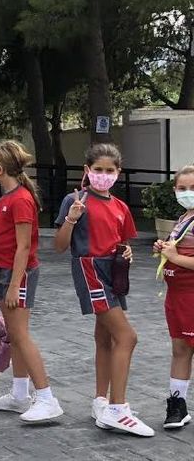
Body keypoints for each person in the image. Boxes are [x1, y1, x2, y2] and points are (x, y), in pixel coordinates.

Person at [54, 143, 152, 436]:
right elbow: (59, 246)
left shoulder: (120, 206)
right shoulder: (75, 200)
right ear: (87, 171)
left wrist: (127, 253)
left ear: (118, 173)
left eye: (110, 170)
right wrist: (71, 218)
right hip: (91, 270)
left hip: (113, 270)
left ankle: (101, 401)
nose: (104, 175)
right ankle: (118, 410)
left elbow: (123, 242)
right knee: (127, 336)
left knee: (106, 337)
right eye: (98, 170)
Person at [0, 140, 63, 423]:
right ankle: (19, 395)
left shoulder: (20, 200)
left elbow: (24, 247)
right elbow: (7, 245)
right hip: (6, 272)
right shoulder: (8, 198)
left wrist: (15, 283)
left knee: (20, 335)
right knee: (16, 336)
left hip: (18, 274)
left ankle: (46, 397)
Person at [157, 165, 194, 430]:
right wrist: (164, 247)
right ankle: (178, 405)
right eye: (182, 188)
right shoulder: (184, 218)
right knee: (179, 349)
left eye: (193, 188)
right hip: (177, 295)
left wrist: (175, 257)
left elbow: (182, 257)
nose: (187, 193)